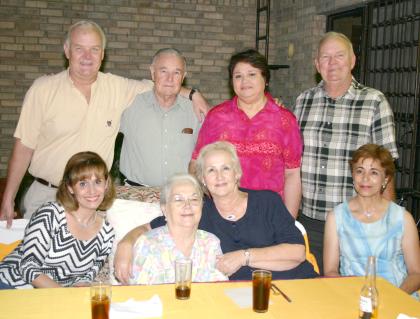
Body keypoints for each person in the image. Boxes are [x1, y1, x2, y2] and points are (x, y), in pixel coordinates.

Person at [0, 20, 208, 227]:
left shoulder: (117, 88)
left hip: (94, 200)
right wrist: (9, 197)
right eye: (79, 48)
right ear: (67, 50)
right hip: (48, 195)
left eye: (94, 49)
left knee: (89, 259)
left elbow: (163, 85)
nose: (87, 56)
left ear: (102, 54)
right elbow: (24, 146)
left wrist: (192, 93)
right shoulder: (43, 89)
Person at [114, 141, 317, 284]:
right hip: (242, 298)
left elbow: (297, 253)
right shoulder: (199, 210)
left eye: (225, 169)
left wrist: (243, 257)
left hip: (297, 283)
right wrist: (125, 245)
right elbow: (148, 227)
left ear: (237, 173)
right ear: (202, 178)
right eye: (211, 170)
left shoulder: (267, 201)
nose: (219, 176)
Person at [293, 32, 399, 272]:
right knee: (313, 294)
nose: (332, 63)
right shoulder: (303, 101)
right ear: (317, 64)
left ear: (352, 60)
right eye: (325, 57)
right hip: (309, 221)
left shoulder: (374, 101)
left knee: (356, 292)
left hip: (357, 221)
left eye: (339, 56)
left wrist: (388, 223)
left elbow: (387, 167)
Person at [189, 49, 302, 218]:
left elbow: (292, 173)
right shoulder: (217, 117)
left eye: (252, 74)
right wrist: (207, 200)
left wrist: (288, 222)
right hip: (221, 215)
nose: (244, 81)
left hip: (269, 215)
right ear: (231, 81)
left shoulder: (285, 120)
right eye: (238, 76)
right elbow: (196, 165)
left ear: (265, 79)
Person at [0, 151, 115, 289]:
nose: (92, 191)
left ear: (106, 184)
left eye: (97, 182)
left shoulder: (106, 233)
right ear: (70, 187)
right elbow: (28, 268)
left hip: (50, 300)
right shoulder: (51, 214)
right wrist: (63, 297)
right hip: (10, 285)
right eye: (83, 184)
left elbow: (85, 280)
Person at [323, 144, 420, 297]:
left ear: (385, 179)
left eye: (374, 172)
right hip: (351, 298)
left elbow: (416, 273)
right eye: (359, 171)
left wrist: (396, 297)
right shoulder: (336, 217)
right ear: (353, 175)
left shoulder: (403, 219)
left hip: (398, 297)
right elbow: (330, 271)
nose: (365, 178)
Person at [119, 48, 201, 187]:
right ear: (152, 72)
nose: (170, 79)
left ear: (183, 76)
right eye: (163, 71)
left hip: (182, 196)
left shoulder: (196, 112)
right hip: (137, 195)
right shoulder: (129, 106)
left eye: (176, 72)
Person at [130, 174, 227, 284]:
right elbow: (138, 295)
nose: (187, 205)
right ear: (164, 208)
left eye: (194, 199)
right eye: (178, 199)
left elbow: (220, 290)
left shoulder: (210, 243)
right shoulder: (148, 244)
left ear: (201, 206)